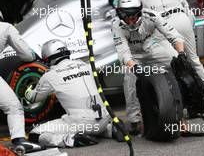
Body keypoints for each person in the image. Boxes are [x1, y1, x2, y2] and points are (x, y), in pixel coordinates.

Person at [25, 39, 123, 148]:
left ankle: (70, 140)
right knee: (93, 124)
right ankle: (110, 130)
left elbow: (34, 99)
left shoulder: (50, 75)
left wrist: (27, 92)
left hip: (80, 124)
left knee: (35, 134)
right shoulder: (84, 65)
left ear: (48, 59)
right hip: (105, 119)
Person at [112, 0, 185, 134]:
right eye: (125, 17)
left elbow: (173, 35)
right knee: (129, 80)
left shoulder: (152, 16)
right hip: (133, 57)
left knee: (179, 63)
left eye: (132, 17)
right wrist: (133, 67)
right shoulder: (116, 25)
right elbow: (123, 52)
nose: (129, 21)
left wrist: (181, 55)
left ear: (139, 13)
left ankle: (186, 109)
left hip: (151, 49)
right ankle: (135, 121)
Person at [0, 16, 42, 153]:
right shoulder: (6, 27)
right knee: (13, 107)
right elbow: (26, 55)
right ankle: (19, 140)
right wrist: (33, 57)